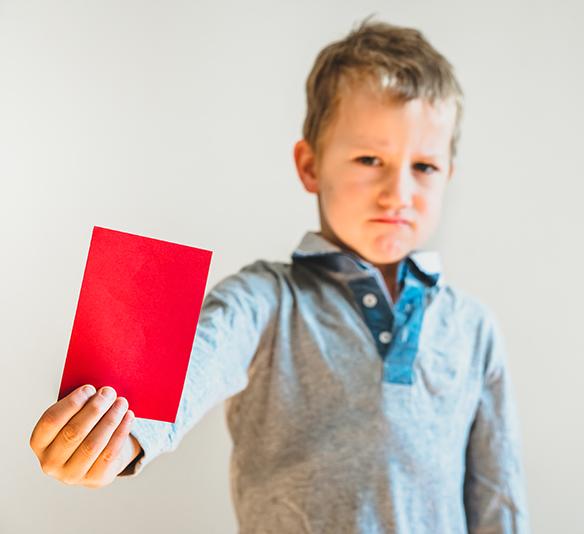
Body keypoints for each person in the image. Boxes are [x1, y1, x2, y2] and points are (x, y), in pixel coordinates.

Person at [29, 16, 530, 533]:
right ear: (310, 165)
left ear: (449, 172)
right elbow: (196, 362)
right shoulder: (266, 301)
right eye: (369, 158)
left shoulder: (474, 329)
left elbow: (500, 502)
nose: (398, 192)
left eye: (423, 166)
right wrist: (113, 440)